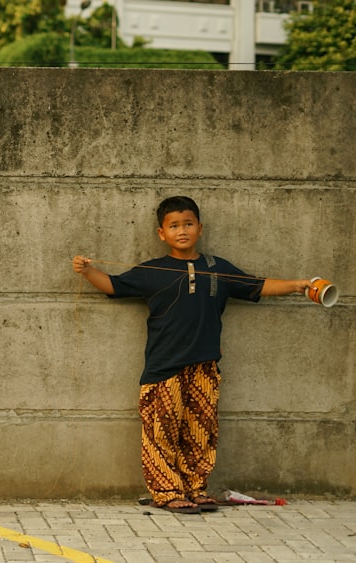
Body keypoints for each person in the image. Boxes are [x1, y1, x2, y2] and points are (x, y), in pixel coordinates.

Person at [72, 196, 309, 514]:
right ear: (162, 233)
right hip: (164, 367)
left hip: (205, 366)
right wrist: (88, 272)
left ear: (199, 228)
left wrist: (297, 285)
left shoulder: (217, 268)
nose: (181, 230)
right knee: (162, 430)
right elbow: (113, 286)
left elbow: (256, 285)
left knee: (201, 430)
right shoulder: (153, 270)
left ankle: (196, 488)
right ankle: (167, 491)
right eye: (174, 226)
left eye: (188, 224)